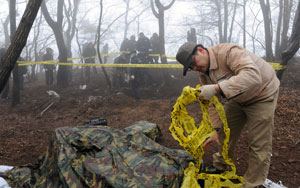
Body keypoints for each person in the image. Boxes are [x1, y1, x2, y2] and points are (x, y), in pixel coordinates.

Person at [176, 42, 280, 188]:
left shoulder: (228, 52)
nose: (194, 68)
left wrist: (217, 88)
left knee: (258, 142)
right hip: (237, 98)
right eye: (190, 68)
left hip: (262, 94)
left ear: (200, 50)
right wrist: (216, 130)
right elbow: (211, 102)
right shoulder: (203, 73)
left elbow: (252, 75)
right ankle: (221, 165)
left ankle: (253, 183)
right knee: (225, 133)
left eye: (193, 63)